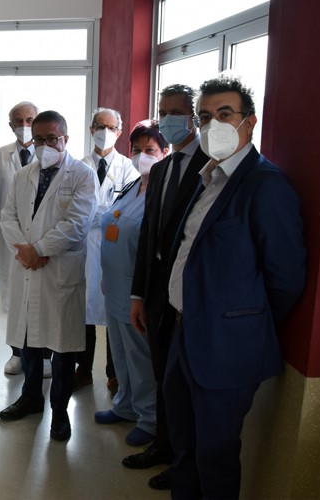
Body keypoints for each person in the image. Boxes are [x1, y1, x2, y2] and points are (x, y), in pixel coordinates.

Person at [164, 75, 306, 498]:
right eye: (205, 117)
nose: (214, 125)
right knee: (183, 445)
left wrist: (240, 323)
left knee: (216, 454)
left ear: (250, 121)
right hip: (183, 334)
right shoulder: (208, 178)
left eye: (225, 114)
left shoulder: (265, 185)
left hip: (227, 347)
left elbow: (285, 278)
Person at [126, 84, 209, 490]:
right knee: (163, 375)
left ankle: (184, 461)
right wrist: (138, 293)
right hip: (157, 292)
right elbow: (148, 237)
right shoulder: (160, 169)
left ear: (194, 117)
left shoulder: (212, 166)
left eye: (178, 112)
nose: (170, 120)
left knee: (186, 384)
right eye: (164, 112)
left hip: (192, 296)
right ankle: (163, 444)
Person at [0, 110, 98, 441]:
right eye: (39, 139)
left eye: (52, 138)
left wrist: (38, 249)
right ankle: (30, 398)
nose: (44, 145)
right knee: (28, 341)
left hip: (59, 271)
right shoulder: (23, 174)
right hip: (28, 267)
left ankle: (60, 412)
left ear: (65, 139)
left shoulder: (82, 175)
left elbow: (77, 224)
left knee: (63, 348)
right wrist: (25, 250)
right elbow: (7, 216)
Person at [94, 121, 169, 448]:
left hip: (138, 292)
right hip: (114, 285)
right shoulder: (133, 186)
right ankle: (124, 404)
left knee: (140, 356)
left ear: (165, 153)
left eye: (149, 150)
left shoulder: (163, 193)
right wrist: (105, 274)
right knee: (120, 352)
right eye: (136, 150)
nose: (141, 156)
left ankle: (149, 418)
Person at [78, 108, 139, 390]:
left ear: (119, 132)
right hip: (83, 250)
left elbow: (127, 211)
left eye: (111, 127)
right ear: (91, 130)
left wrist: (98, 213)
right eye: (99, 126)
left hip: (115, 250)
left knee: (114, 311)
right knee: (83, 312)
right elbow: (76, 211)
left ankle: (115, 373)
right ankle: (83, 369)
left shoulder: (129, 168)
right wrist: (106, 211)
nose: (105, 132)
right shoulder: (78, 167)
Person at [0, 101, 51, 377]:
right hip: (9, 240)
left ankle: (45, 355)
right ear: (10, 124)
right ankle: (16, 353)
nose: (24, 126)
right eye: (18, 120)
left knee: (42, 300)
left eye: (30, 120)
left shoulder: (50, 156)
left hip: (41, 243)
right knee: (14, 300)